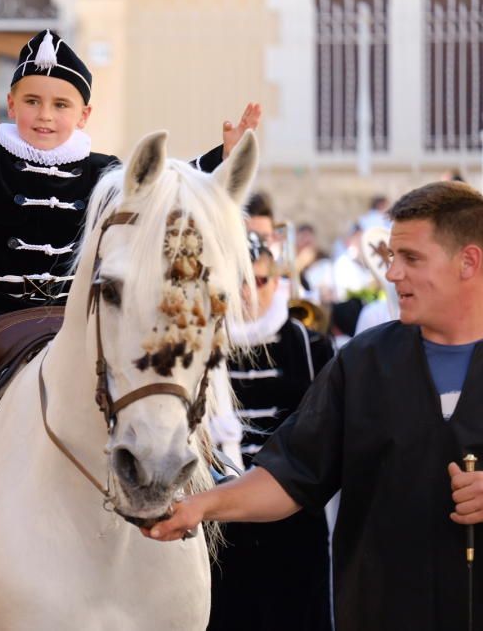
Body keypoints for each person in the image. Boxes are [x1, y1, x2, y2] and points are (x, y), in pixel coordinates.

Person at [0, 27, 261, 550]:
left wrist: (221, 157)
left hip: (72, 313)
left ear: (83, 114)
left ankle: (203, 469)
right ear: (11, 102)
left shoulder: (105, 173)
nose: (45, 114)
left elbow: (161, 191)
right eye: (33, 101)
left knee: (147, 375)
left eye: (61, 104)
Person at [145, 181, 483, 631]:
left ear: (469, 261)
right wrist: (200, 507)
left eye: (411, 259)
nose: (392, 274)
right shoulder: (362, 365)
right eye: (392, 259)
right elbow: (292, 474)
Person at [209, 231, 334, 631]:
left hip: (293, 517)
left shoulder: (310, 345)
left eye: (258, 280)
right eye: (236, 282)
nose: (247, 293)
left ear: (275, 280)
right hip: (219, 520)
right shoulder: (201, 347)